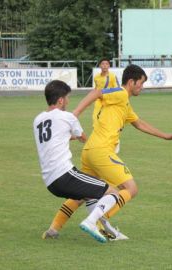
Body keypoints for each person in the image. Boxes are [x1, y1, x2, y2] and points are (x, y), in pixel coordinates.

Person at [42, 64, 172, 240]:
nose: (142, 87)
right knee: (130, 188)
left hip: (90, 150)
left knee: (81, 195)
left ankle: (54, 229)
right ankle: (97, 221)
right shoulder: (121, 93)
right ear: (131, 82)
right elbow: (97, 92)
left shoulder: (125, 103)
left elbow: (139, 124)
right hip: (101, 150)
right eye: (141, 83)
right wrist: (75, 113)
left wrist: (166, 136)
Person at [33, 80, 120, 243]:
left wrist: (68, 136)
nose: (68, 101)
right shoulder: (68, 117)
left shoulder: (38, 120)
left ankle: (54, 230)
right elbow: (83, 138)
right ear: (60, 100)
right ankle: (91, 223)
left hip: (50, 182)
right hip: (65, 175)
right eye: (67, 98)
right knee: (113, 192)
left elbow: (55, 136)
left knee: (87, 194)